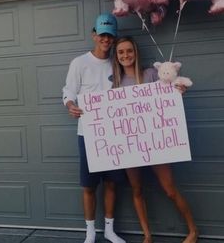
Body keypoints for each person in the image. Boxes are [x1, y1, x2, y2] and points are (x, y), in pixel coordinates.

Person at [112, 36, 198, 243]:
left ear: (135, 52)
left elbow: (168, 96)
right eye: (121, 52)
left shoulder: (150, 74)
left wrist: (178, 91)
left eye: (129, 51)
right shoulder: (114, 84)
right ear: (116, 56)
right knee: (137, 190)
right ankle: (147, 235)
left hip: (156, 143)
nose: (125, 55)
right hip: (130, 145)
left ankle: (193, 231)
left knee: (169, 190)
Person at [62, 13, 126, 243]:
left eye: (110, 35)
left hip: (114, 133)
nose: (106, 39)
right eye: (102, 34)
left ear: (114, 37)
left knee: (111, 182)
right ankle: (90, 232)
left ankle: (109, 230)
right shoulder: (80, 63)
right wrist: (70, 105)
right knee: (88, 185)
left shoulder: (117, 62)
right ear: (94, 35)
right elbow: (68, 91)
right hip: (87, 133)